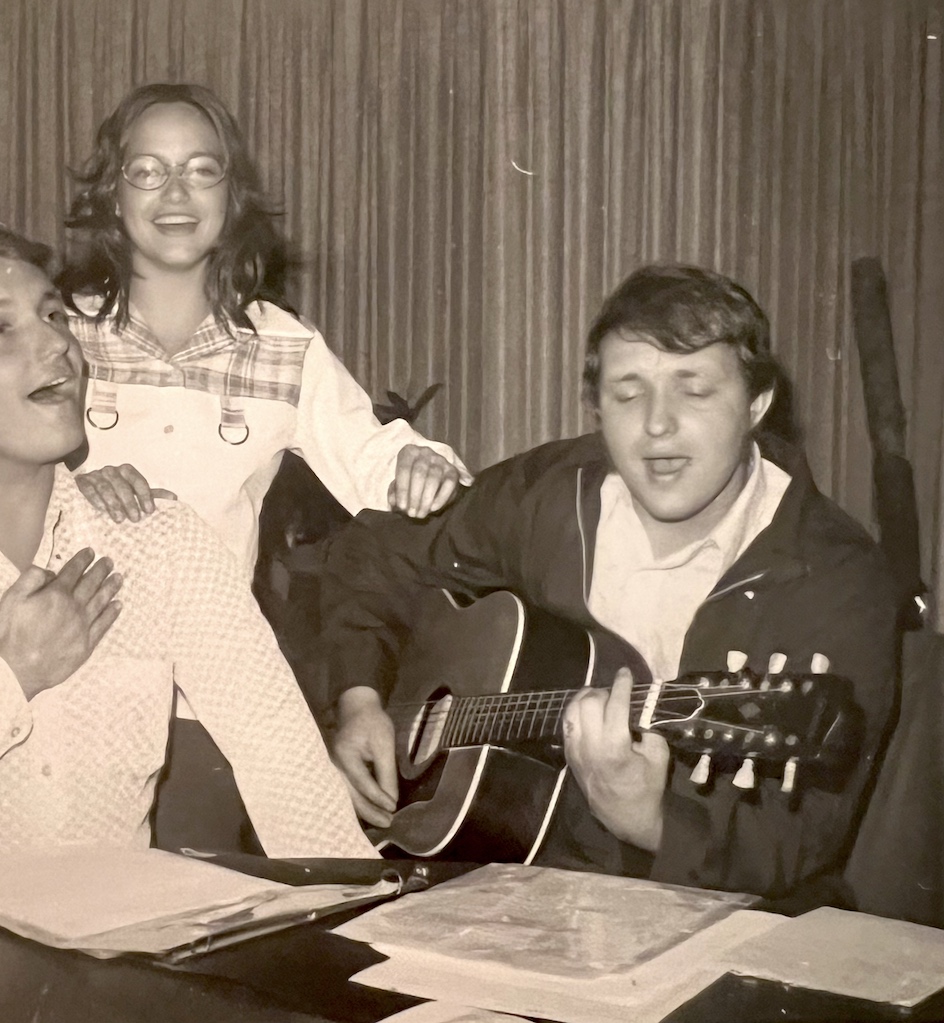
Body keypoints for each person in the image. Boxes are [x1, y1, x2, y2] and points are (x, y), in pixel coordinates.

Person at [0, 221, 376, 900]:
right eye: (2, 328)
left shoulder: (163, 543)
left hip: (111, 980)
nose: (57, 343)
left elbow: (298, 793)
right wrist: (9, 680)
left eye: (54, 315)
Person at [319, 264, 898, 900]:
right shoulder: (552, 496)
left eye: (695, 390)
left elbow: (805, 837)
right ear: (597, 409)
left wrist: (651, 822)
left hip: (708, 913)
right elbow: (376, 553)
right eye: (628, 393)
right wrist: (359, 700)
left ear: (757, 404)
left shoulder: (839, 577)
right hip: (501, 881)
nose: (657, 425)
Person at [63, 82, 470, 573]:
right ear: (112, 195)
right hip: (70, 638)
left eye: (202, 170)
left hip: (219, 643)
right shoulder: (55, 336)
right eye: (147, 171)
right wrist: (62, 497)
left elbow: (373, 457)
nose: (175, 191)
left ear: (232, 198)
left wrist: (423, 464)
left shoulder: (285, 347)